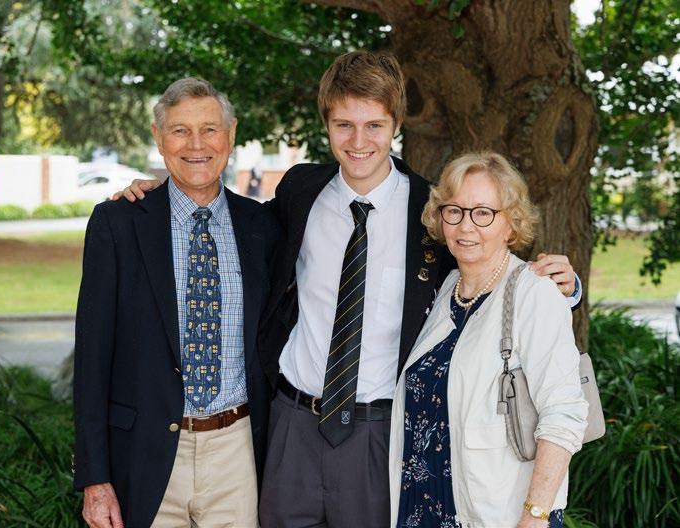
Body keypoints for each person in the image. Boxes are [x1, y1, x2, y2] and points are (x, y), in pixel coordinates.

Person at [118, 51, 581, 527]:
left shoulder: (431, 212)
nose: (359, 142)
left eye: (374, 126)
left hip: (378, 435)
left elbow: (489, 267)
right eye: (344, 125)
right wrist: (164, 192)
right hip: (293, 425)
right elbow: (236, 224)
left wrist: (565, 287)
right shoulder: (301, 191)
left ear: (395, 124)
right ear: (327, 125)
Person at [74, 77, 279, 528]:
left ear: (231, 134)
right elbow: (91, 361)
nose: (196, 144)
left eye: (209, 129)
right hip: (145, 454)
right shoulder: (118, 223)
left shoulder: (263, 227)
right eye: (180, 130)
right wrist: (95, 477)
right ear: (158, 137)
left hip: (237, 453)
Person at [388, 152, 588, 528]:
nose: (466, 226)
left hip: (498, 514)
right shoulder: (447, 288)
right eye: (454, 211)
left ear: (511, 224)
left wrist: (535, 515)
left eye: (483, 213)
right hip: (424, 507)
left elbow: (564, 414)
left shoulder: (534, 292)